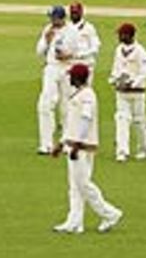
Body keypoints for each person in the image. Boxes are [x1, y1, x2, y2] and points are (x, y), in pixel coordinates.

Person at [52, 63, 124, 234]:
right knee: (75, 187)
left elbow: (85, 120)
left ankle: (110, 213)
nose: (68, 78)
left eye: (71, 76)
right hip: (74, 145)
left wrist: (77, 143)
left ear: (76, 78)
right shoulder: (77, 94)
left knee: (83, 184)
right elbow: (72, 123)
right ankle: (75, 222)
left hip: (82, 147)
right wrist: (62, 143)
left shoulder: (87, 96)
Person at [109, 22, 146, 162]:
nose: (120, 37)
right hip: (121, 93)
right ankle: (122, 151)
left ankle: (143, 148)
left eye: (122, 34)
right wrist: (115, 79)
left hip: (137, 92)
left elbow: (144, 72)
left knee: (139, 121)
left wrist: (132, 82)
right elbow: (116, 68)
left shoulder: (141, 51)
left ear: (129, 35)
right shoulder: (118, 50)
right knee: (121, 119)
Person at [35, 4, 71, 154]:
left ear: (61, 18)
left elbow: (79, 51)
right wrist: (47, 40)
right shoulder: (48, 30)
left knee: (67, 106)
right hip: (51, 68)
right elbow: (39, 51)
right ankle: (46, 144)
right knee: (45, 104)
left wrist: (68, 55)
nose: (51, 20)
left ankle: (67, 142)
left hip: (67, 68)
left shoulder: (72, 31)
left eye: (53, 17)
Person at [65, 1, 101, 75]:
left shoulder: (89, 28)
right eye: (72, 13)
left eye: (76, 12)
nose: (74, 15)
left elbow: (95, 47)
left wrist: (81, 54)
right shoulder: (66, 27)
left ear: (81, 12)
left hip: (86, 64)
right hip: (70, 64)